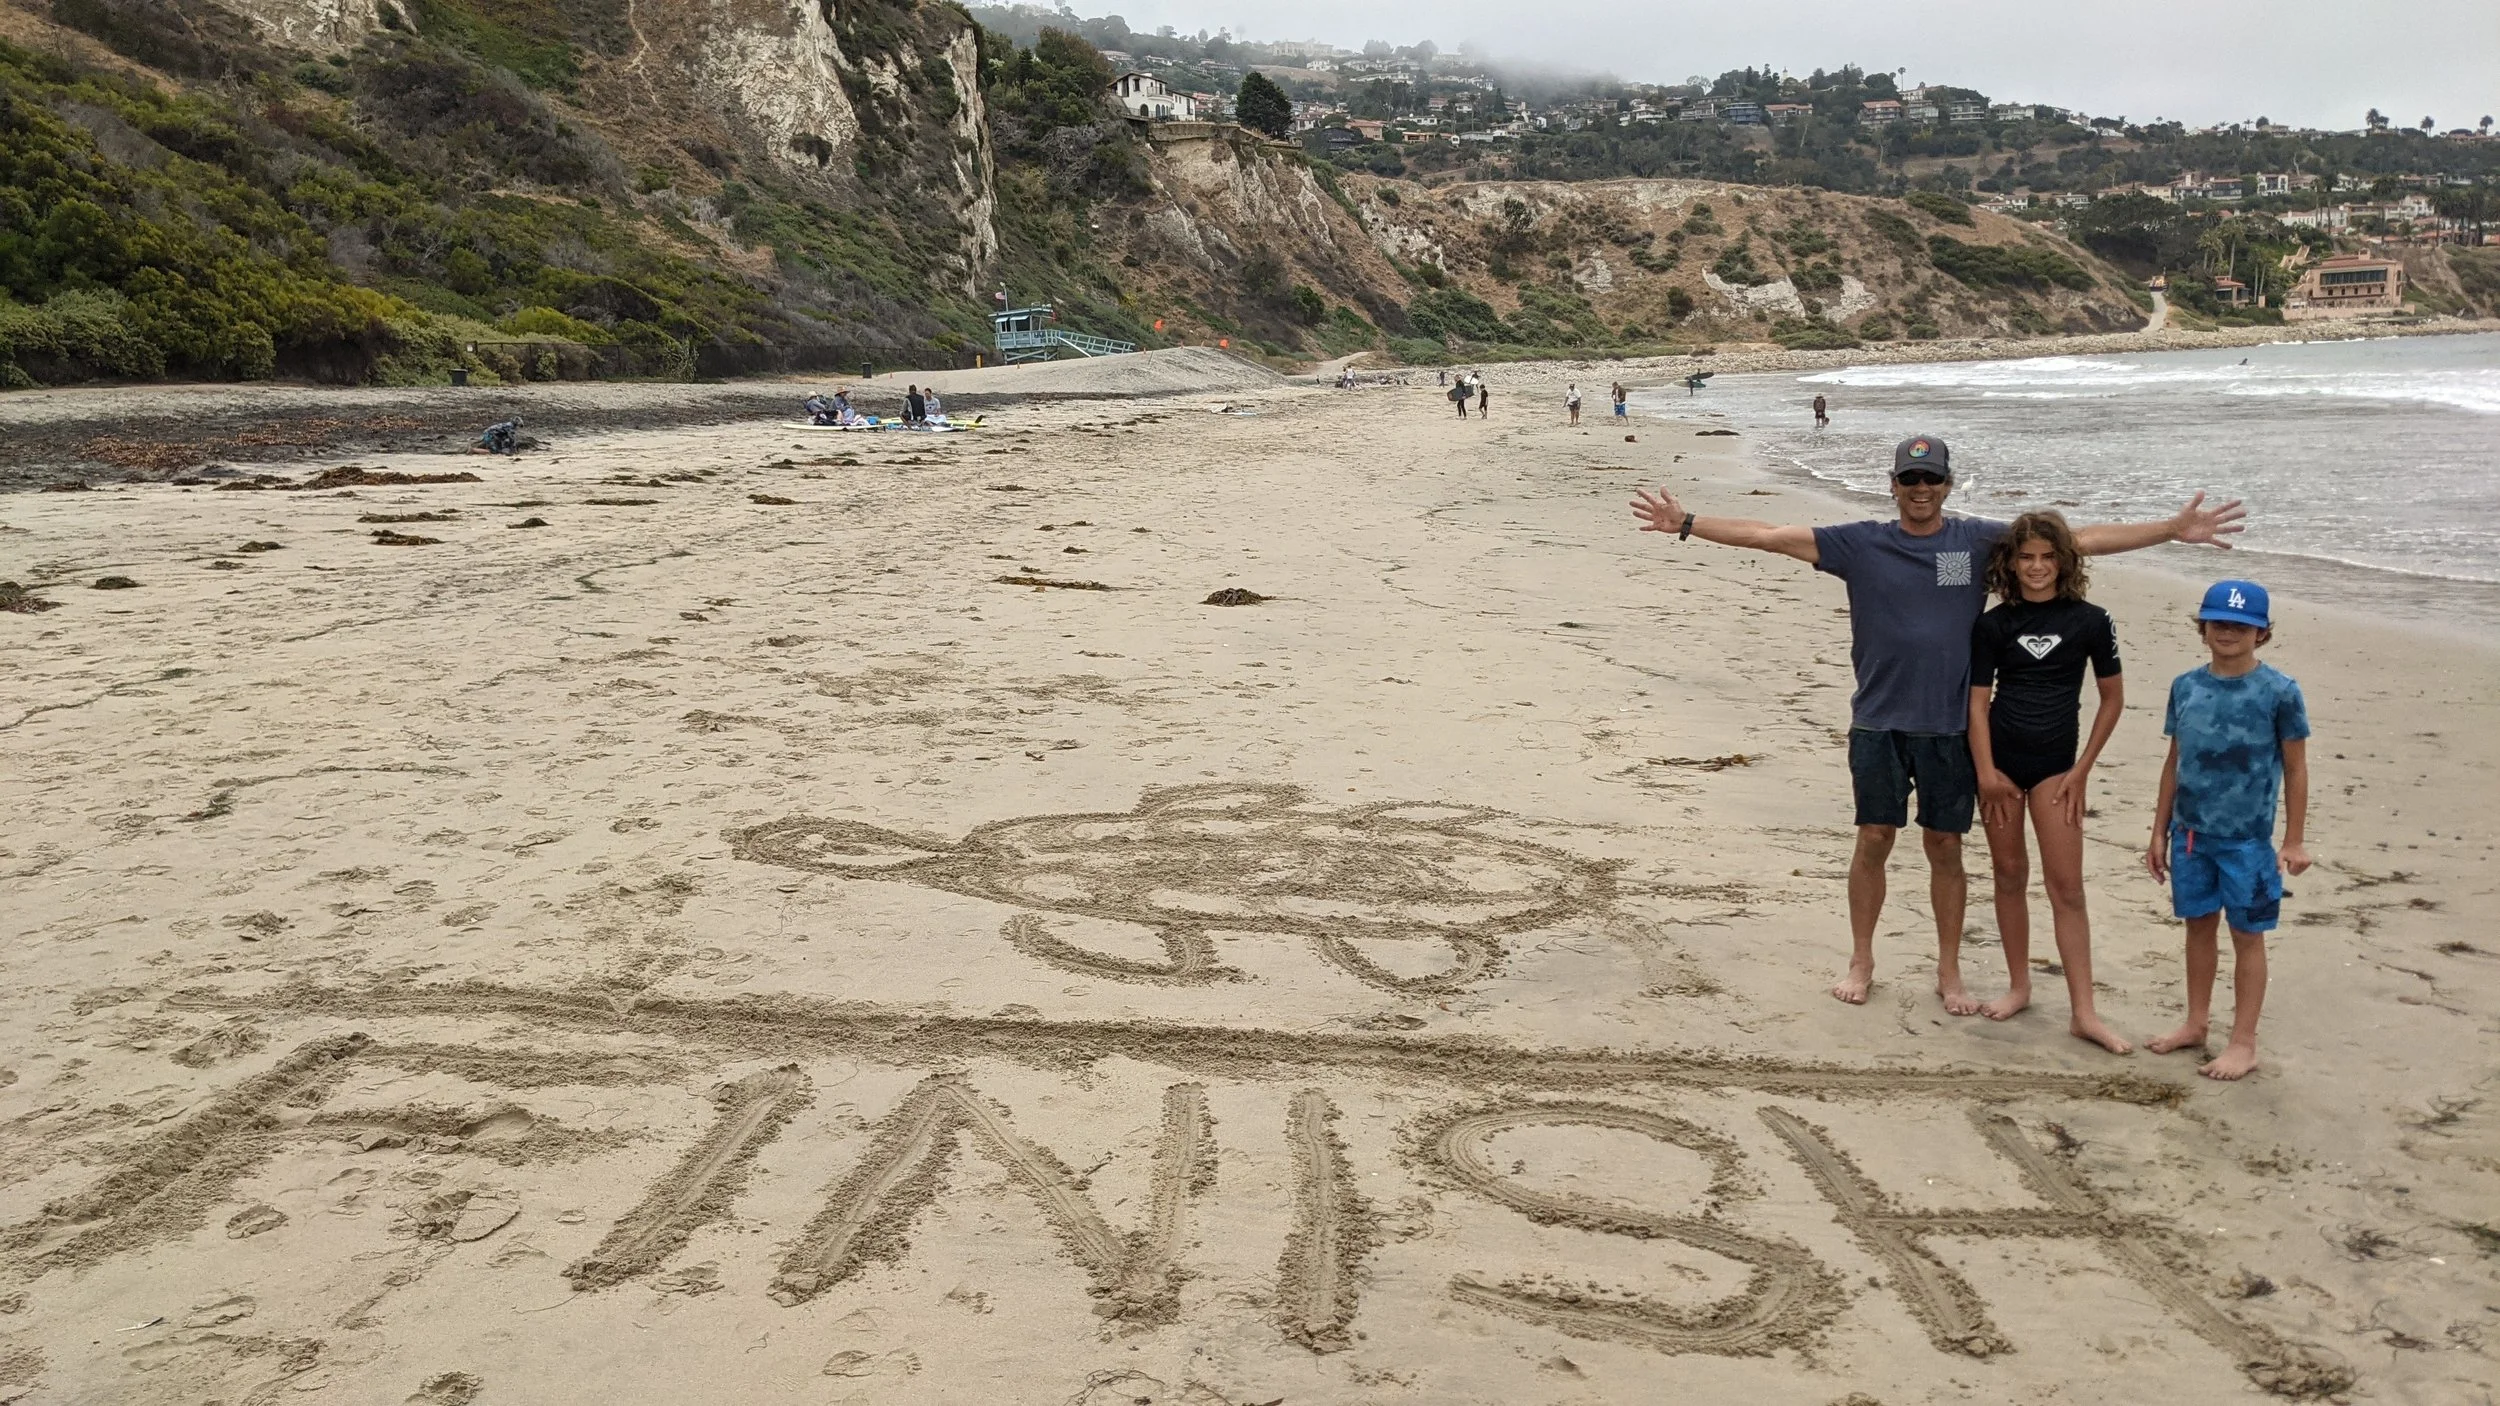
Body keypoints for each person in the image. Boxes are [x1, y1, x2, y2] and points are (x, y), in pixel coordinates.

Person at [1628, 434, 2246, 1009]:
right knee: (1873, 838)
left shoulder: (1977, 542)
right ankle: (1862, 959)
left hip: (1951, 728)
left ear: (1948, 484)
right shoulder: (1859, 543)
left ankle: (1949, 969)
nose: (1920, 489)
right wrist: (1686, 523)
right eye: (1909, 478)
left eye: (1931, 478)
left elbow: (2073, 542)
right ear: (1893, 484)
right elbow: (1767, 534)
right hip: (1878, 721)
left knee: (1945, 846)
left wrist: (2171, 529)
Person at [1966, 512, 2129, 1052]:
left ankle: (2084, 1012)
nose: (2037, 567)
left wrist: (2082, 769)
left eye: (2047, 557)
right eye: (2026, 557)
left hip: (2059, 769)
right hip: (2002, 769)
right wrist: (1986, 773)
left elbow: (2112, 698)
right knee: (2009, 874)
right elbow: (1977, 705)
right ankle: (2019, 985)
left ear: (2065, 561)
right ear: (2011, 564)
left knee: (2067, 888)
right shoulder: (1993, 624)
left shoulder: (2091, 620)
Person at [2144, 579, 2310, 1081]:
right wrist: (2159, 830)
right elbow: (2175, 761)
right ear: (2204, 627)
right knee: (2197, 927)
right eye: (2219, 622)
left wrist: (2294, 838)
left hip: (2248, 842)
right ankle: (2196, 1023)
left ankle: (2243, 1041)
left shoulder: (2280, 692)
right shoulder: (2186, 686)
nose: (2229, 632)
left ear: (2261, 633)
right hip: (2191, 835)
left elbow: (2297, 768)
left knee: (2247, 935)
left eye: (2242, 625)